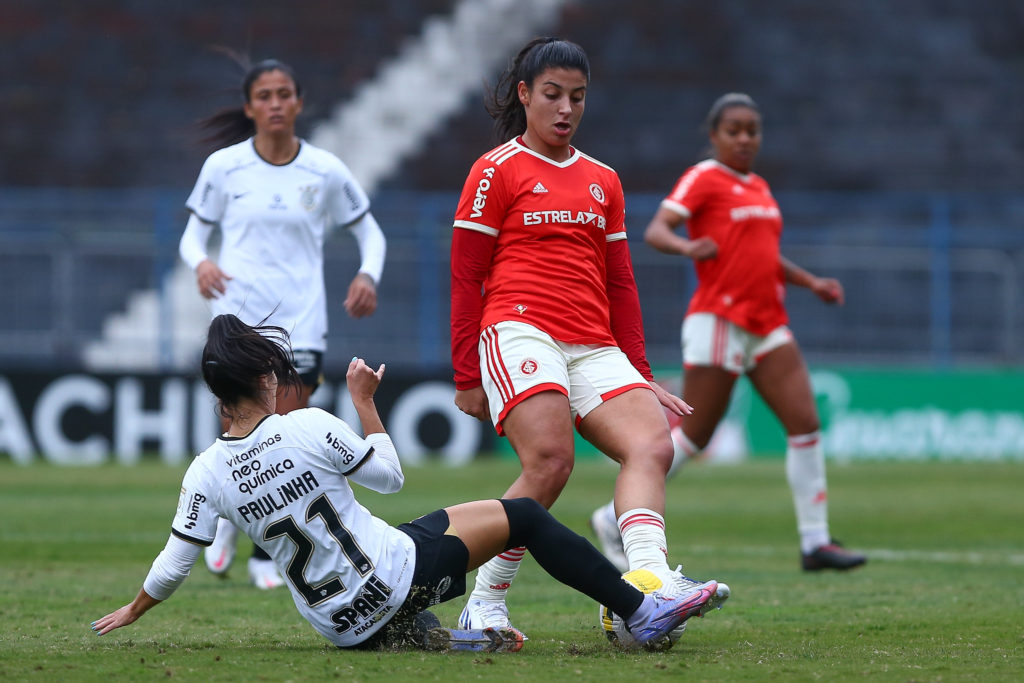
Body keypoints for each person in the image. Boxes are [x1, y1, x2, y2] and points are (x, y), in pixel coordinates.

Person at [90, 314, 721, 652]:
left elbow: (175, 563)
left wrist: (134, 610)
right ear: (264, 382)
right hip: (394, 579)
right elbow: (389, 478)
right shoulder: (306, 425)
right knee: (521, 515)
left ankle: (449, 639)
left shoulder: (205, 472)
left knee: (392, 550)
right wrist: (366, 404)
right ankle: (644, 610)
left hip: (338, 626)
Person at [449, 37, 729, 635]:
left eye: (577, 97)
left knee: (654, 444)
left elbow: (620, 281)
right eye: (551, 95)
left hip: (593, 342)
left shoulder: (603, 179)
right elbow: (466, 274)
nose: (565, 109)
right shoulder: (494, 171)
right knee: (550, 462)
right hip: (519, 328)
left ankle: (650, 584)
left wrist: (642, 370)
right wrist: (466, 374)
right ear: (525, 95)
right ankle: (486, 600)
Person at [589, 93, 867, 572]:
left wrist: (810, 282)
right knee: (695, 436)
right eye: (733, 129)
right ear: (714, 135)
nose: (743, 138)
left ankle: (816, 543)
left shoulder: (759, 186)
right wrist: (686, 245)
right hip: (719, 319)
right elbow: (657, 230)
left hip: (767, 322)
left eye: (752, 130)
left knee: (805, 426)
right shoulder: (704, 177)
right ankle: (614, 518)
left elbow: (762, 256)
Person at [178, 58, 386, 589]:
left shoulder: (325, 170)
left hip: (302, 326)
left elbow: (372, 234)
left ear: (298, 102)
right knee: (242, 426)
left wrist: (367, 273)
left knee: (284, 429)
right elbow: (192, 236)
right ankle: (227, 523)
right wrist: (201, 262)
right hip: (236, 322)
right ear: (250, 107)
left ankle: (259, 555)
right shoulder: (224, 167)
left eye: (283, 93)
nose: (274, 103)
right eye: (264, 95)